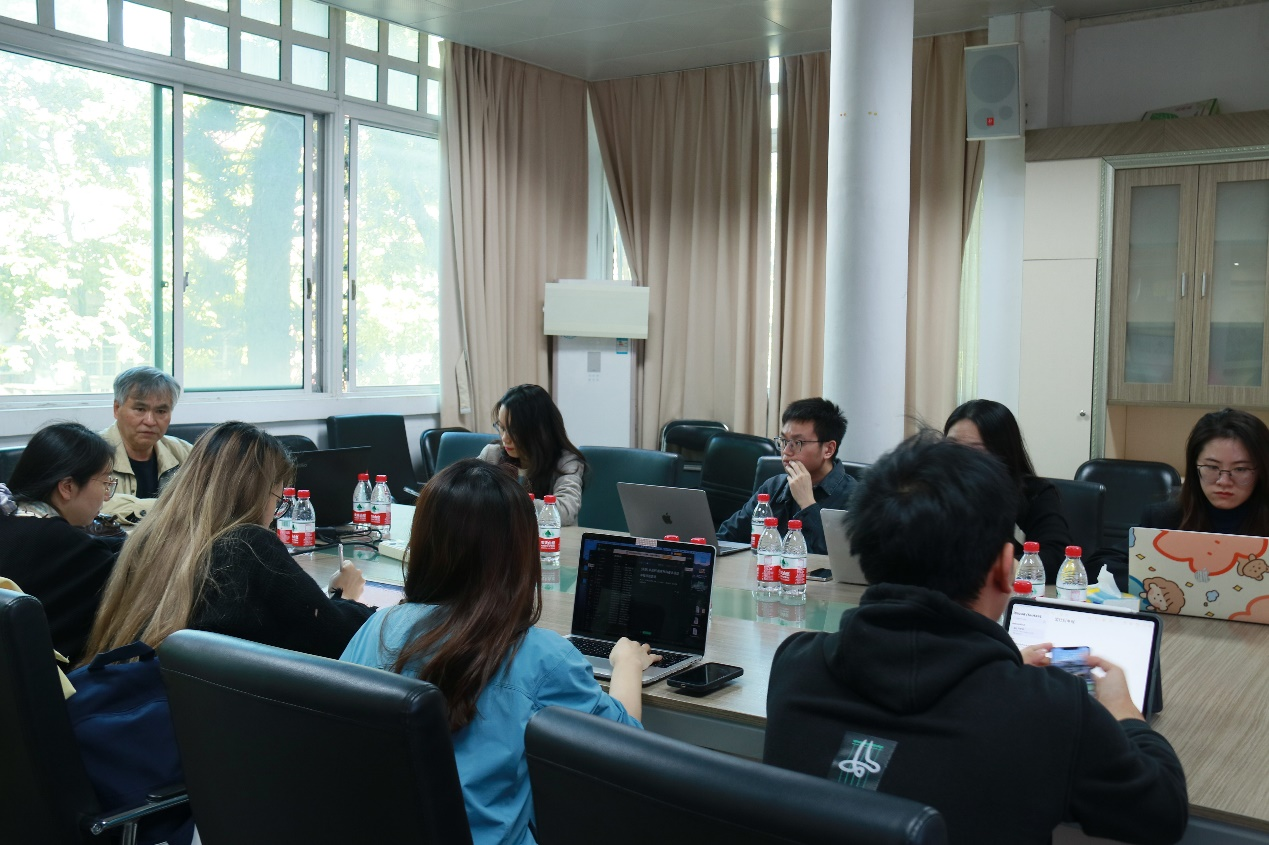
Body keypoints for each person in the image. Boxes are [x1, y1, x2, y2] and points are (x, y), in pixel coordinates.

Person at [763, 432, 1187, 845]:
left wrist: (1001, 668)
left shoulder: (796, 664)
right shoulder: (1049, 708)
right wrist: (1125, 713)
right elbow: (1162, 814)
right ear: (1005, 569)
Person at [341, 459, 658, 845]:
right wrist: (628, 665)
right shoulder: (542, 657)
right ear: (521, 552)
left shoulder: (378, 627)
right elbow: (625, 753)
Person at [83, 422, 372, 662]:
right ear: (255, 495)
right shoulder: (249, 545)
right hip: (211, 709)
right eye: (278, 499)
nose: (274, 514)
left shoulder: (148, 537)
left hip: (141, 695)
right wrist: (344, 597)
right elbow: (337, 639)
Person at [1099, 407, 1269, 589]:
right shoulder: (1165, 517)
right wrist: (1155, 580)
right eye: (1212, 467)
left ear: (1262, 471)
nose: (1224, 481)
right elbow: (1100, 564)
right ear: (1195, 468)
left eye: (1240, 469)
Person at [0, 423, 118, 663]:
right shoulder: (75, 550)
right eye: (105, 483)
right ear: (67, 487)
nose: (106, 496)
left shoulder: (9, 519)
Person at [944, 398, 1075, 582]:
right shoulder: (932, 490)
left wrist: (999, 569)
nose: (960, 459)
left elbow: (1057, 557)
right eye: (951, 447)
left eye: (975, 451)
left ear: (1002, 454)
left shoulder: (1033, 495)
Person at [716, 398, 855, 555]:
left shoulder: (855, 498)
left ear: (828, 449)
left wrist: (807, 504)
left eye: (797, 443)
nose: (786, 451)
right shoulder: (773, 486)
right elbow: (726, 537)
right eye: (784, 441)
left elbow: (838, 559)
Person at [478, 384, 586, 526]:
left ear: (539, 431)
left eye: (514, 431)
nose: (505, 438)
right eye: (502, 428)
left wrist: (503, 501)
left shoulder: (566, 462)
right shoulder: (492, 455)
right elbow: (466, 492)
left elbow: (565, 511)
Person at [100, 366, 194, 522]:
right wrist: (170, 507)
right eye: (140, 409)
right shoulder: (89, 452)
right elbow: (92, 504)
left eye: (161, 411)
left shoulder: (185, 452)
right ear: (117, 408)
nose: (150, 421)